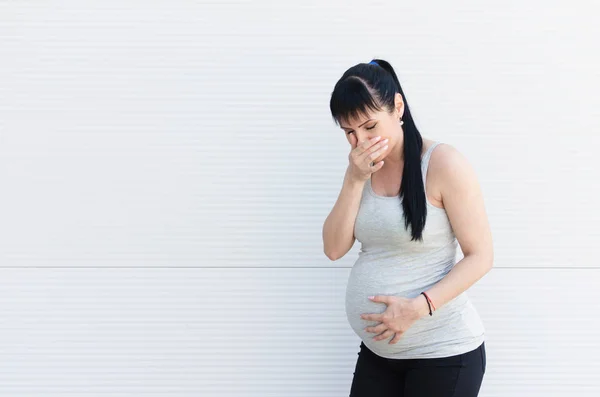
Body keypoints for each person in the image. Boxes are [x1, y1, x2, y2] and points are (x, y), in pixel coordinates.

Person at [322, 59, 494, 397]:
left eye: (369, 127)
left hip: (443, 354)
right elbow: (333, 248)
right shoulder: (362, 169)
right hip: (379, 355)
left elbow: (481, 256)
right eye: (349, 133)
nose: (360, 141)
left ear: (397, 106)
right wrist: (354, 179)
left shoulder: (443, 164)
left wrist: (417, 309)